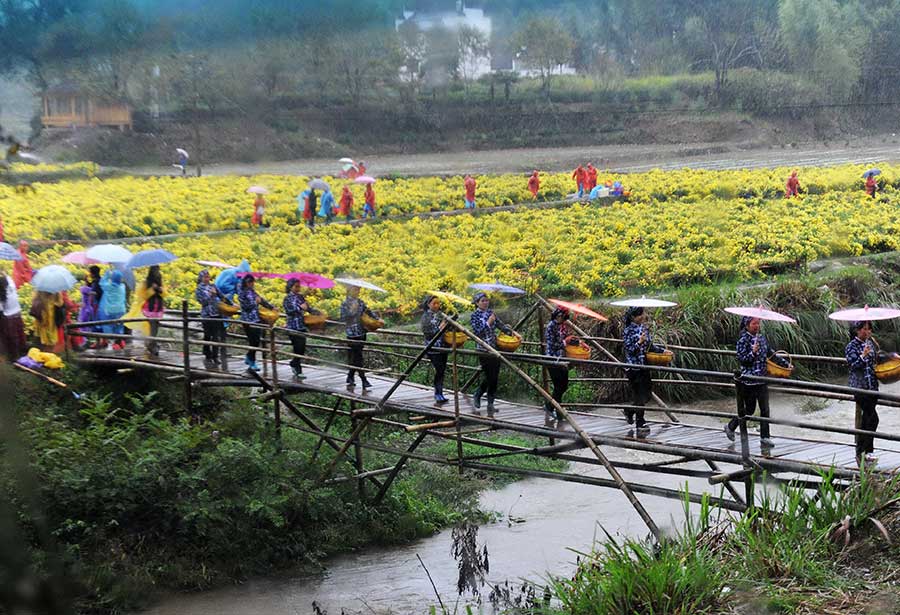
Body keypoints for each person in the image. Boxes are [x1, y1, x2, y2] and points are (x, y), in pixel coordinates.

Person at [725, 316, 774, 447]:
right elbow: (742, 360)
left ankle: (765, 437)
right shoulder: (743, 340)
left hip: (762, 379)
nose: (756, 326)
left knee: (765, 410)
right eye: (754, 323)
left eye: (758, 323)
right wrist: (753, 353)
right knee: (750, 410)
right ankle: (731, 426)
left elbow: (771, 354)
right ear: (747, 325)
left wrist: (785, 364)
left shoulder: (762, 338)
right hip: (748, 381)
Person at [470, 292, 520, 414]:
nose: (485, 303)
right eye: (483, 301)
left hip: (494, 347)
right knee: (489, 375)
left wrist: (513, 333)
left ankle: (490, 403)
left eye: (487, 300)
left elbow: (501, 325)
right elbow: (477, 332)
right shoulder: (474, 315)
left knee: (495, 377)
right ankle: (478, 394)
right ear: (477, 303)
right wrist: (488, 323)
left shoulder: (491, 313)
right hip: (483, 348)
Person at [846, 320, 884, 463]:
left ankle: (862, 451)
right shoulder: (851, 346)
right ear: (857, 330)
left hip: (872, 386)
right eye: (864, 329)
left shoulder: (871, 344)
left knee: (867, 420)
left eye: (869, 329)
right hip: (860, 387)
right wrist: (863, 355)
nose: (867, 332)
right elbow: (853, 365)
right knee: (873, 418)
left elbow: (876, 361)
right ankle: (865, 451)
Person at [622, 306, 657, 432]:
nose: (643, 316)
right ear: (633, 317)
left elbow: (649, 346)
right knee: (639, 396)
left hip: (644, 365)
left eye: (643, 314)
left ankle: (629, 411)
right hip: (633, 368)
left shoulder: (643, 328)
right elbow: (630, 350)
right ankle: (640, 423)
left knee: (646, 395)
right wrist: (639, 342)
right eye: (640, 314)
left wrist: (663, 350)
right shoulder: (628, 331)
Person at [341, 285, 378, 389]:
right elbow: (343, 318)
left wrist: (377, 319)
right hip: (352, 334)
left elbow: (368, 311)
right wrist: (352, 311)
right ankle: (363, 379)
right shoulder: (345, 304)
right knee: (358, 357)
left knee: (356, 356)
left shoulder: (361, 302)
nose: (358, 291)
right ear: (349, 290)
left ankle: (350, 376)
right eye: (355, 289)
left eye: (359, 289)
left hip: (361, 332)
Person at [283, 278, 319, 380]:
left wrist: (318, 313)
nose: (298, 288)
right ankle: (298, 370)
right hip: (292, 327)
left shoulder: (300, 297)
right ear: (290, 287)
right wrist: (300, 308)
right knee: (297, 348)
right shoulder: (287, 298)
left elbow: (308, 308)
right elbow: (289, 311)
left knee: (302, 349)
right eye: (296, 286)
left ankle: (294, 363)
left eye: (299, 286)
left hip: (301, 326)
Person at [125, 265, 165, 357]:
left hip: (158, 306)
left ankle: (151, 344)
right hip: (150, 307)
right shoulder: (146, 283)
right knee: (152, 326)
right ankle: (152, 345)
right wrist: (152, 289)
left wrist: (159, 289)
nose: (158, 273)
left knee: (155, 326)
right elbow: (143, 295)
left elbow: (164, 293)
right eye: (156, 271)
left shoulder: (159, 282)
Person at [238, 274, 273, 372]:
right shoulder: (242, 293)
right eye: (250, 282)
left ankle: (249, 357)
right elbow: (245, 307)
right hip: (247, 320)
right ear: (246, 283)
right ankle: (252, 361)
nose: (252, 284)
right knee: (253, 341)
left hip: (256, 319)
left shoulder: (252, 292)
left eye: (253, 282)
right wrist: (255, 302)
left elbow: (261, 300)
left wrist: (271, 307)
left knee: (256, 341)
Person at [195, 269, 228, 367]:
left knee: (216, 336)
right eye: (205, 277)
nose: (207, 279)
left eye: (208, 276)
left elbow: (221, 296)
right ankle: (207, 355)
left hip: (216, 314)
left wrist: (230, 304)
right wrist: (210, 295)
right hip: (207, 315)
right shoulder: (199, 289)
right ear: (201, 278)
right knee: (208, 336)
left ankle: (215, 356)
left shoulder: (213, 286)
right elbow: (202, 302)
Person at [421, 295, 449, 403]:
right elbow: (428, 333)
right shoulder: (425, 317)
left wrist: (448, 322)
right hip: (433, 347)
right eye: (434, 303)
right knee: (439, 369)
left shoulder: (441, 315)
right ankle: (438, 393)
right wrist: (440, 328)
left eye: (438, 303)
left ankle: (440, 393)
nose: (437, 305)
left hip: (443, 346)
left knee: (442, 370)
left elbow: (448, 327)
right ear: (429, 304)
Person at [544, 306, 571, 420]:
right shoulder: (551, 326)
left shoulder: (562, 326)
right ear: (557, 316)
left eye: (563, 317)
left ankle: (552, 407)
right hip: (553, 358)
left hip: (562, 359)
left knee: (564, 385)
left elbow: (564, 339)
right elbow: (552, 344)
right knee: (558, 386)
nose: (561, 319)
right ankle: (555, 410)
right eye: (560, 317)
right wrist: (565, 343)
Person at [97, 269, 127, 349]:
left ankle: (112, 343)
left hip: (110, 310)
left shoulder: (108, 287)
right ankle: (120, 341)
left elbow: (101, 283)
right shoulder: (122, 287)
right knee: (119, 326)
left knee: (109, 326)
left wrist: (107, 275)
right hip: (121, 310)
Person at [0, 273, 25, 360]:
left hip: (8, 317)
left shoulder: (1, 292)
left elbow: (1, 309)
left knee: (11, 337)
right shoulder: (10, 282)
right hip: (17, 313)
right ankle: (22, 351)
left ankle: (13, 356)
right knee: (20, 334)